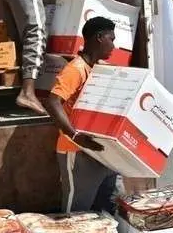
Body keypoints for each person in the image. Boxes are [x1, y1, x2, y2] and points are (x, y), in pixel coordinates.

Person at [44, 17, 118, 214]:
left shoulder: (97, 69)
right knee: (76, 211)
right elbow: (52, 102)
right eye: (112, 39)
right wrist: (75, 136)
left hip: (99, 151)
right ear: (100, 37)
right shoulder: (75, 69)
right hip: (75, 150)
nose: (114, 45)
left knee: (109, 205)